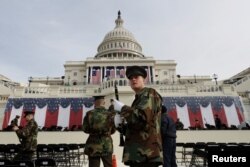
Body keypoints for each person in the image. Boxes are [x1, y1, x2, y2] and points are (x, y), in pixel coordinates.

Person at [113, 65, 163, 167]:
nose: (133, 79)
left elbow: (142, 119)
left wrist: (123, 108)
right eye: (131, 78)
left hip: (146, 154)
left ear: (144, 79)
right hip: (138, 155)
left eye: (136, 77)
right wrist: (120, 126)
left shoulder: (149, 93)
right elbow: (136, 127)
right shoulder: (139, 98)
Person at [82, 95, 116, 167]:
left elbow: (85, 129)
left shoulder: (89, 114)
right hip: (106, 144)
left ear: (94, 103)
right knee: (108, 165)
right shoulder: (110, 114)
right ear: (104, 102)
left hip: (93, 145)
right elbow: (113, 130)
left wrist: (94, 131)